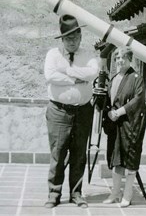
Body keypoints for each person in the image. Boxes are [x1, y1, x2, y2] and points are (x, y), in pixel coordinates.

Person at [44, 14, 99, 208]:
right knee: (58, 152)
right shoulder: (53, 54)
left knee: (79, 154)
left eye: (75, 37)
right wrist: (76, 78)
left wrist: (67, 72)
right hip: (58, 111)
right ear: (62, 38)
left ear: (81, 36)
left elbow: (93, 72)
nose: (72, 42)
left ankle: (76, 193)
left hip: (83, 111)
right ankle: (54, 193)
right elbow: (50, 75)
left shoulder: (88, 55)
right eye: (68, 38)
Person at [102, 46, 146, 207]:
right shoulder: (114, 78)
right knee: (116, 159)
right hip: (115, 126)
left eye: (123, 58)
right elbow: (109, 101)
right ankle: (115, 193)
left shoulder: (136, 78)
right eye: (117, 58)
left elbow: (138, 100)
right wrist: (108, 113)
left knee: (130, 159)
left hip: (130, 125)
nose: (120, 61)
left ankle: (127, 194)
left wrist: (120, 112)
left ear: (130, 59)